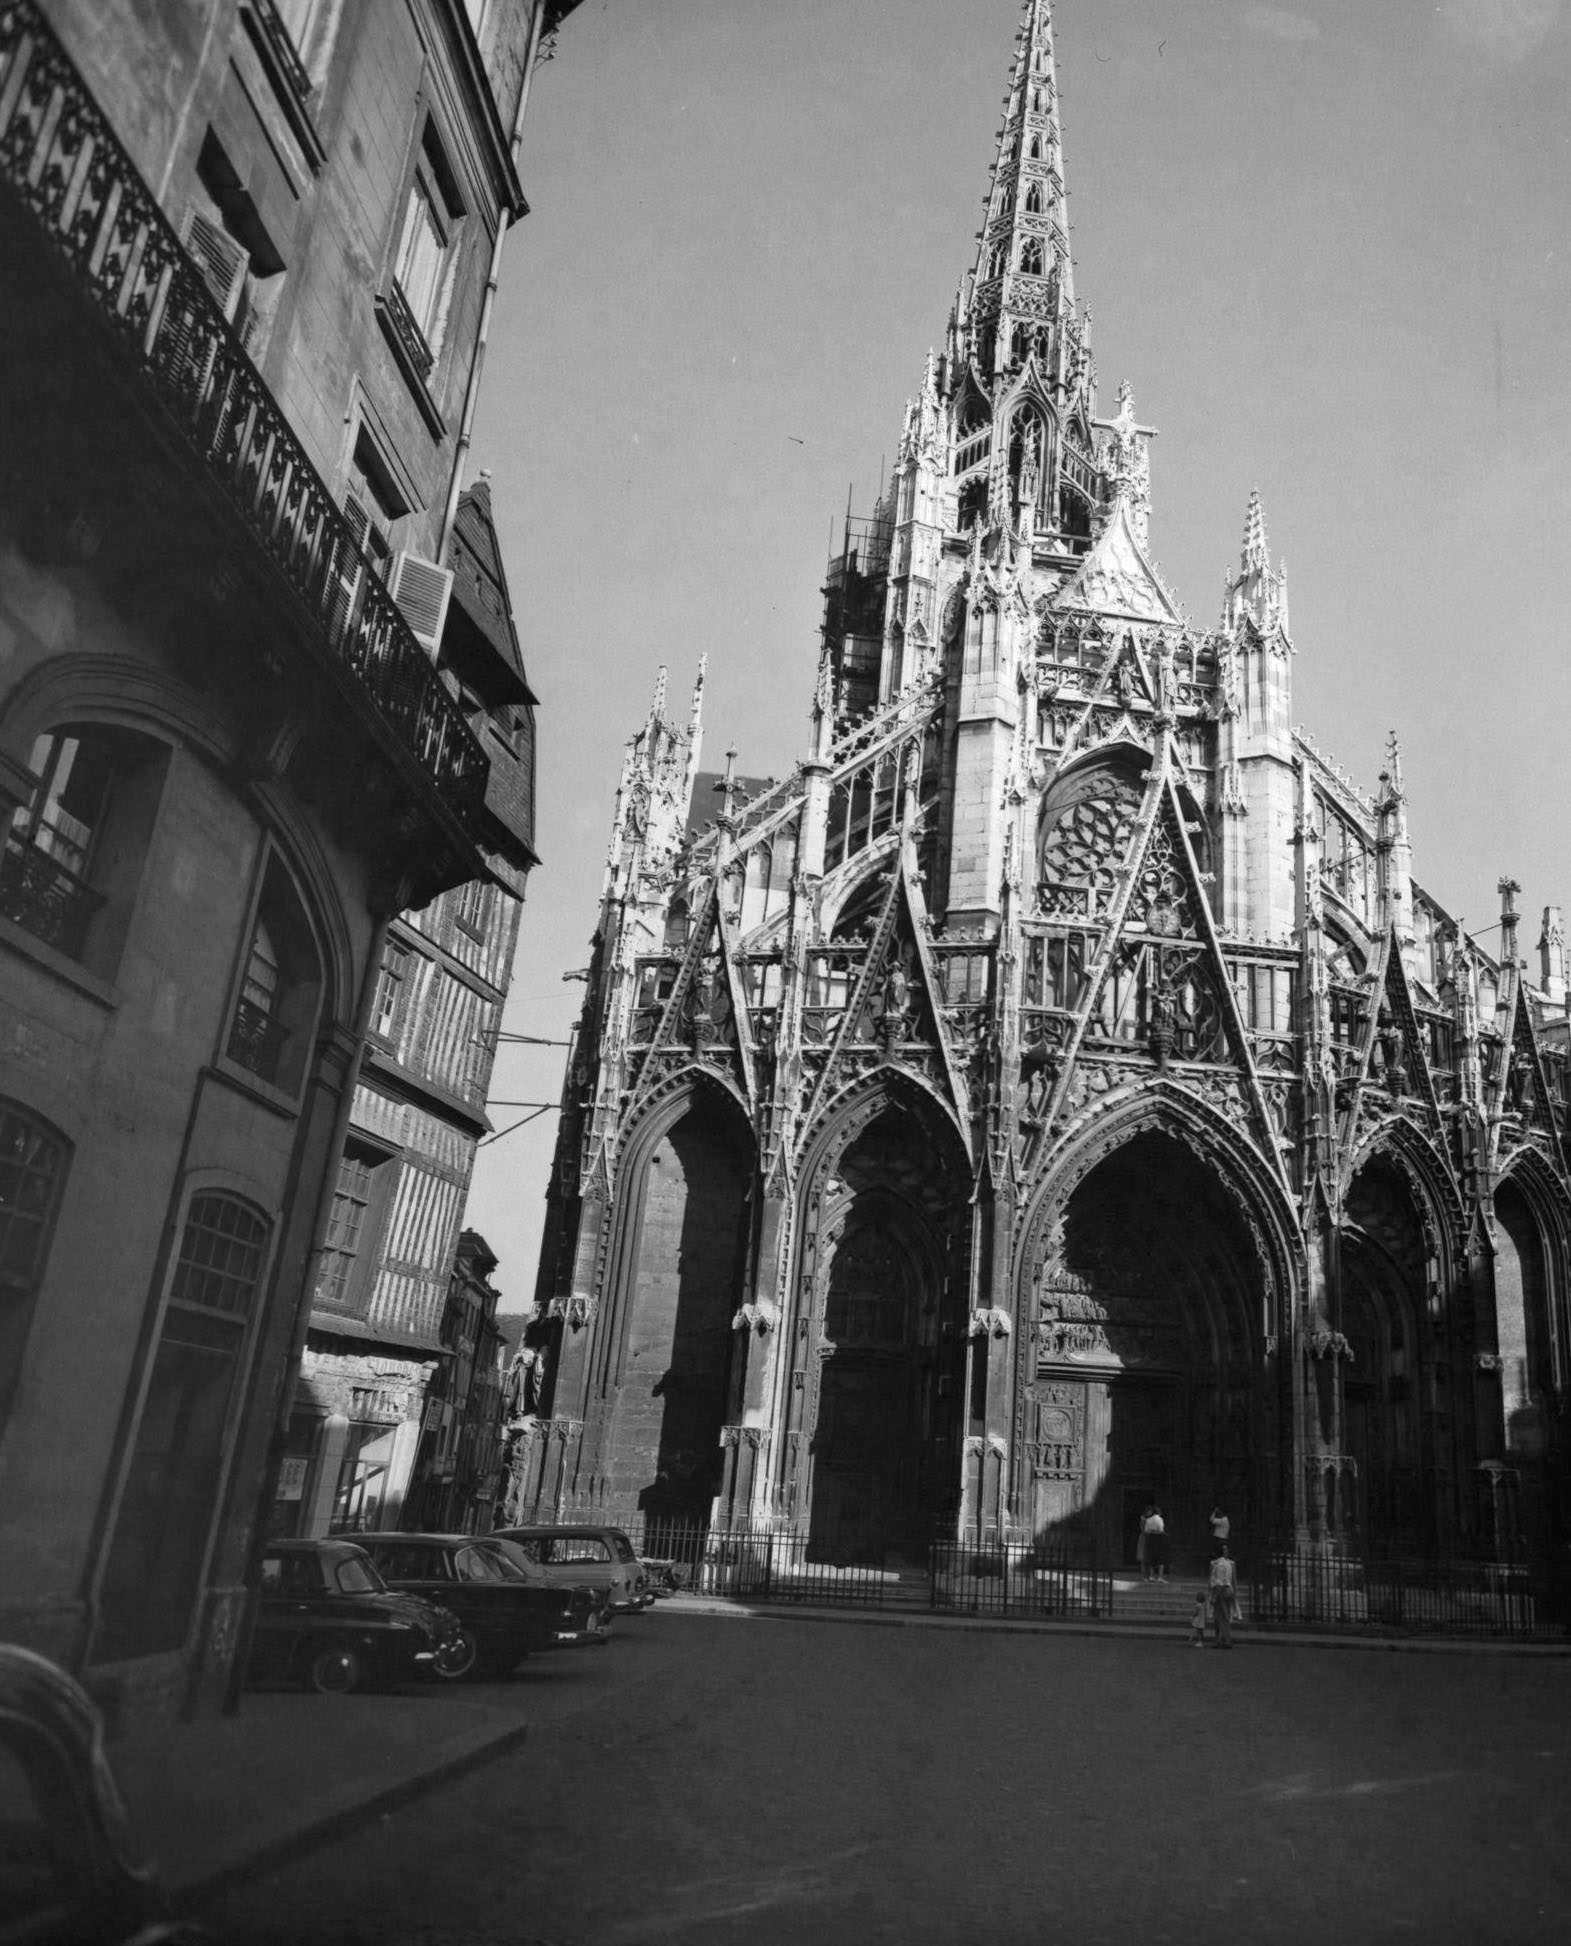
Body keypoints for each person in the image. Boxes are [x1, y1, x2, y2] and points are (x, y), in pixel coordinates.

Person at [1209, 1543, 1238, 1649]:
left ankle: (1224, 1640)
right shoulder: (1228, 1563)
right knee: (1224, 1616)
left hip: (1221, 1590)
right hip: (1228, 1590)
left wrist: (1214, 1595)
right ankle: (1223, 1639)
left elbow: (1219, 1581)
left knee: (1221, 1616)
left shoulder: (1218, 1564)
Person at [1142, 1504, 1167, 1582]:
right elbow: (1161, 1530)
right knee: (1161, 1559)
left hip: (1150, 1539)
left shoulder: (1149, 1520)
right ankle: (1160, 1576)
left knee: (1151, 1558)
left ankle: (1151, 1576)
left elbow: (1146, 1530)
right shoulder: (1159, 1519)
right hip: (1159, 1540)